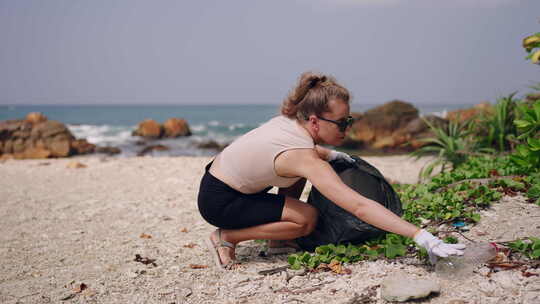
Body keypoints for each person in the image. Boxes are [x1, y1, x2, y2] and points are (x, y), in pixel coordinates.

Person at [197, 72, 465, 269]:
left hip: (220, 182)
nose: (347, 129)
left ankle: (276, 241)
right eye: (341, 123)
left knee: (302, 174)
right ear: (314, 120)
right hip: (220, 201)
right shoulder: (301, 155)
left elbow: (309, 152)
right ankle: (227, 236)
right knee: (307, 219)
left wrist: (337, 155)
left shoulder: (292, 123)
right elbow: (359, 206)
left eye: (349, 120)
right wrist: (420, 235)